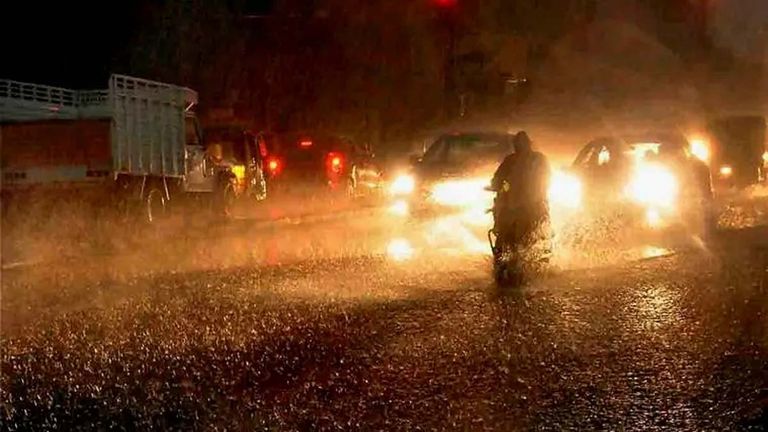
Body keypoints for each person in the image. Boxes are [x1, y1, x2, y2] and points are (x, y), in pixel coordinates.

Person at [490, 131, 551, 254]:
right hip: (531, 204)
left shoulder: (512, 160)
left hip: (522, 205)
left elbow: (497, 180)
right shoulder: (538, 159)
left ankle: (501, 250)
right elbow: (497, 180)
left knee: (503, 228)